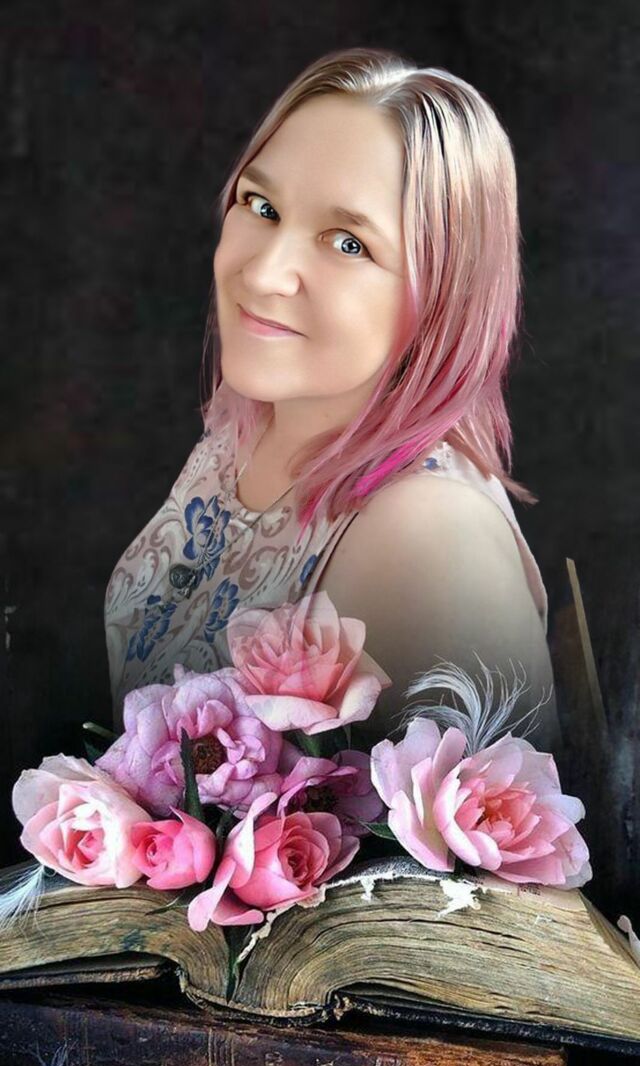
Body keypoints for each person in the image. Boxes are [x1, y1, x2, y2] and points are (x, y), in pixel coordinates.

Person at [105, 47, 560, 753]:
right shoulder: (245, 430)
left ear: (444, 293)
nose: (264, 273)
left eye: (347, 243)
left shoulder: (429, 542)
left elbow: (510, 827)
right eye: (261, 206)